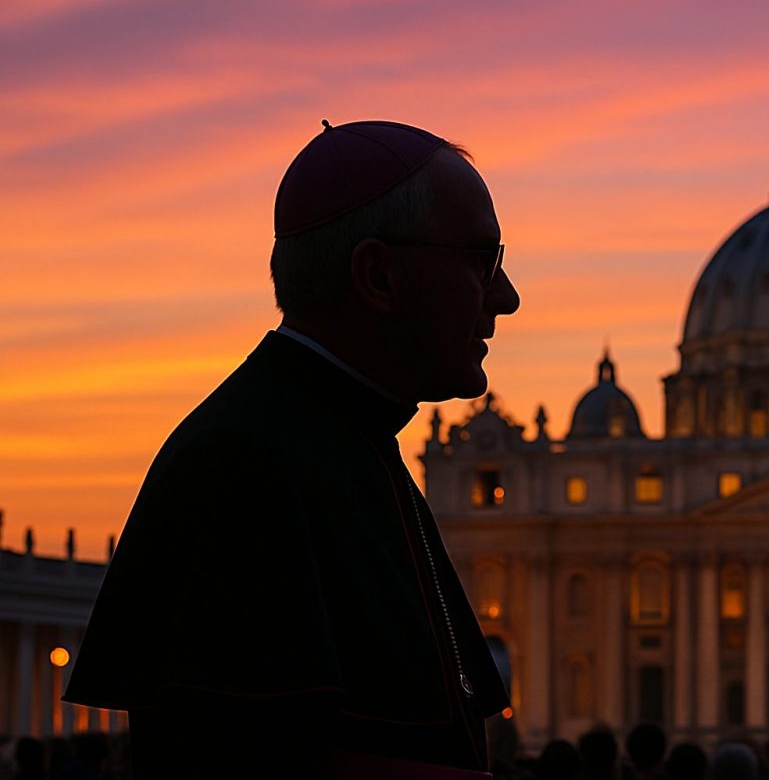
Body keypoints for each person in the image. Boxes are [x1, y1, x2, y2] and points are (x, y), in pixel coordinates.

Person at [63, 120, 520, 778]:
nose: (506, 297)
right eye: (483, 260)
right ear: (379, 275)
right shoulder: (243, 466)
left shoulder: (348, 443)